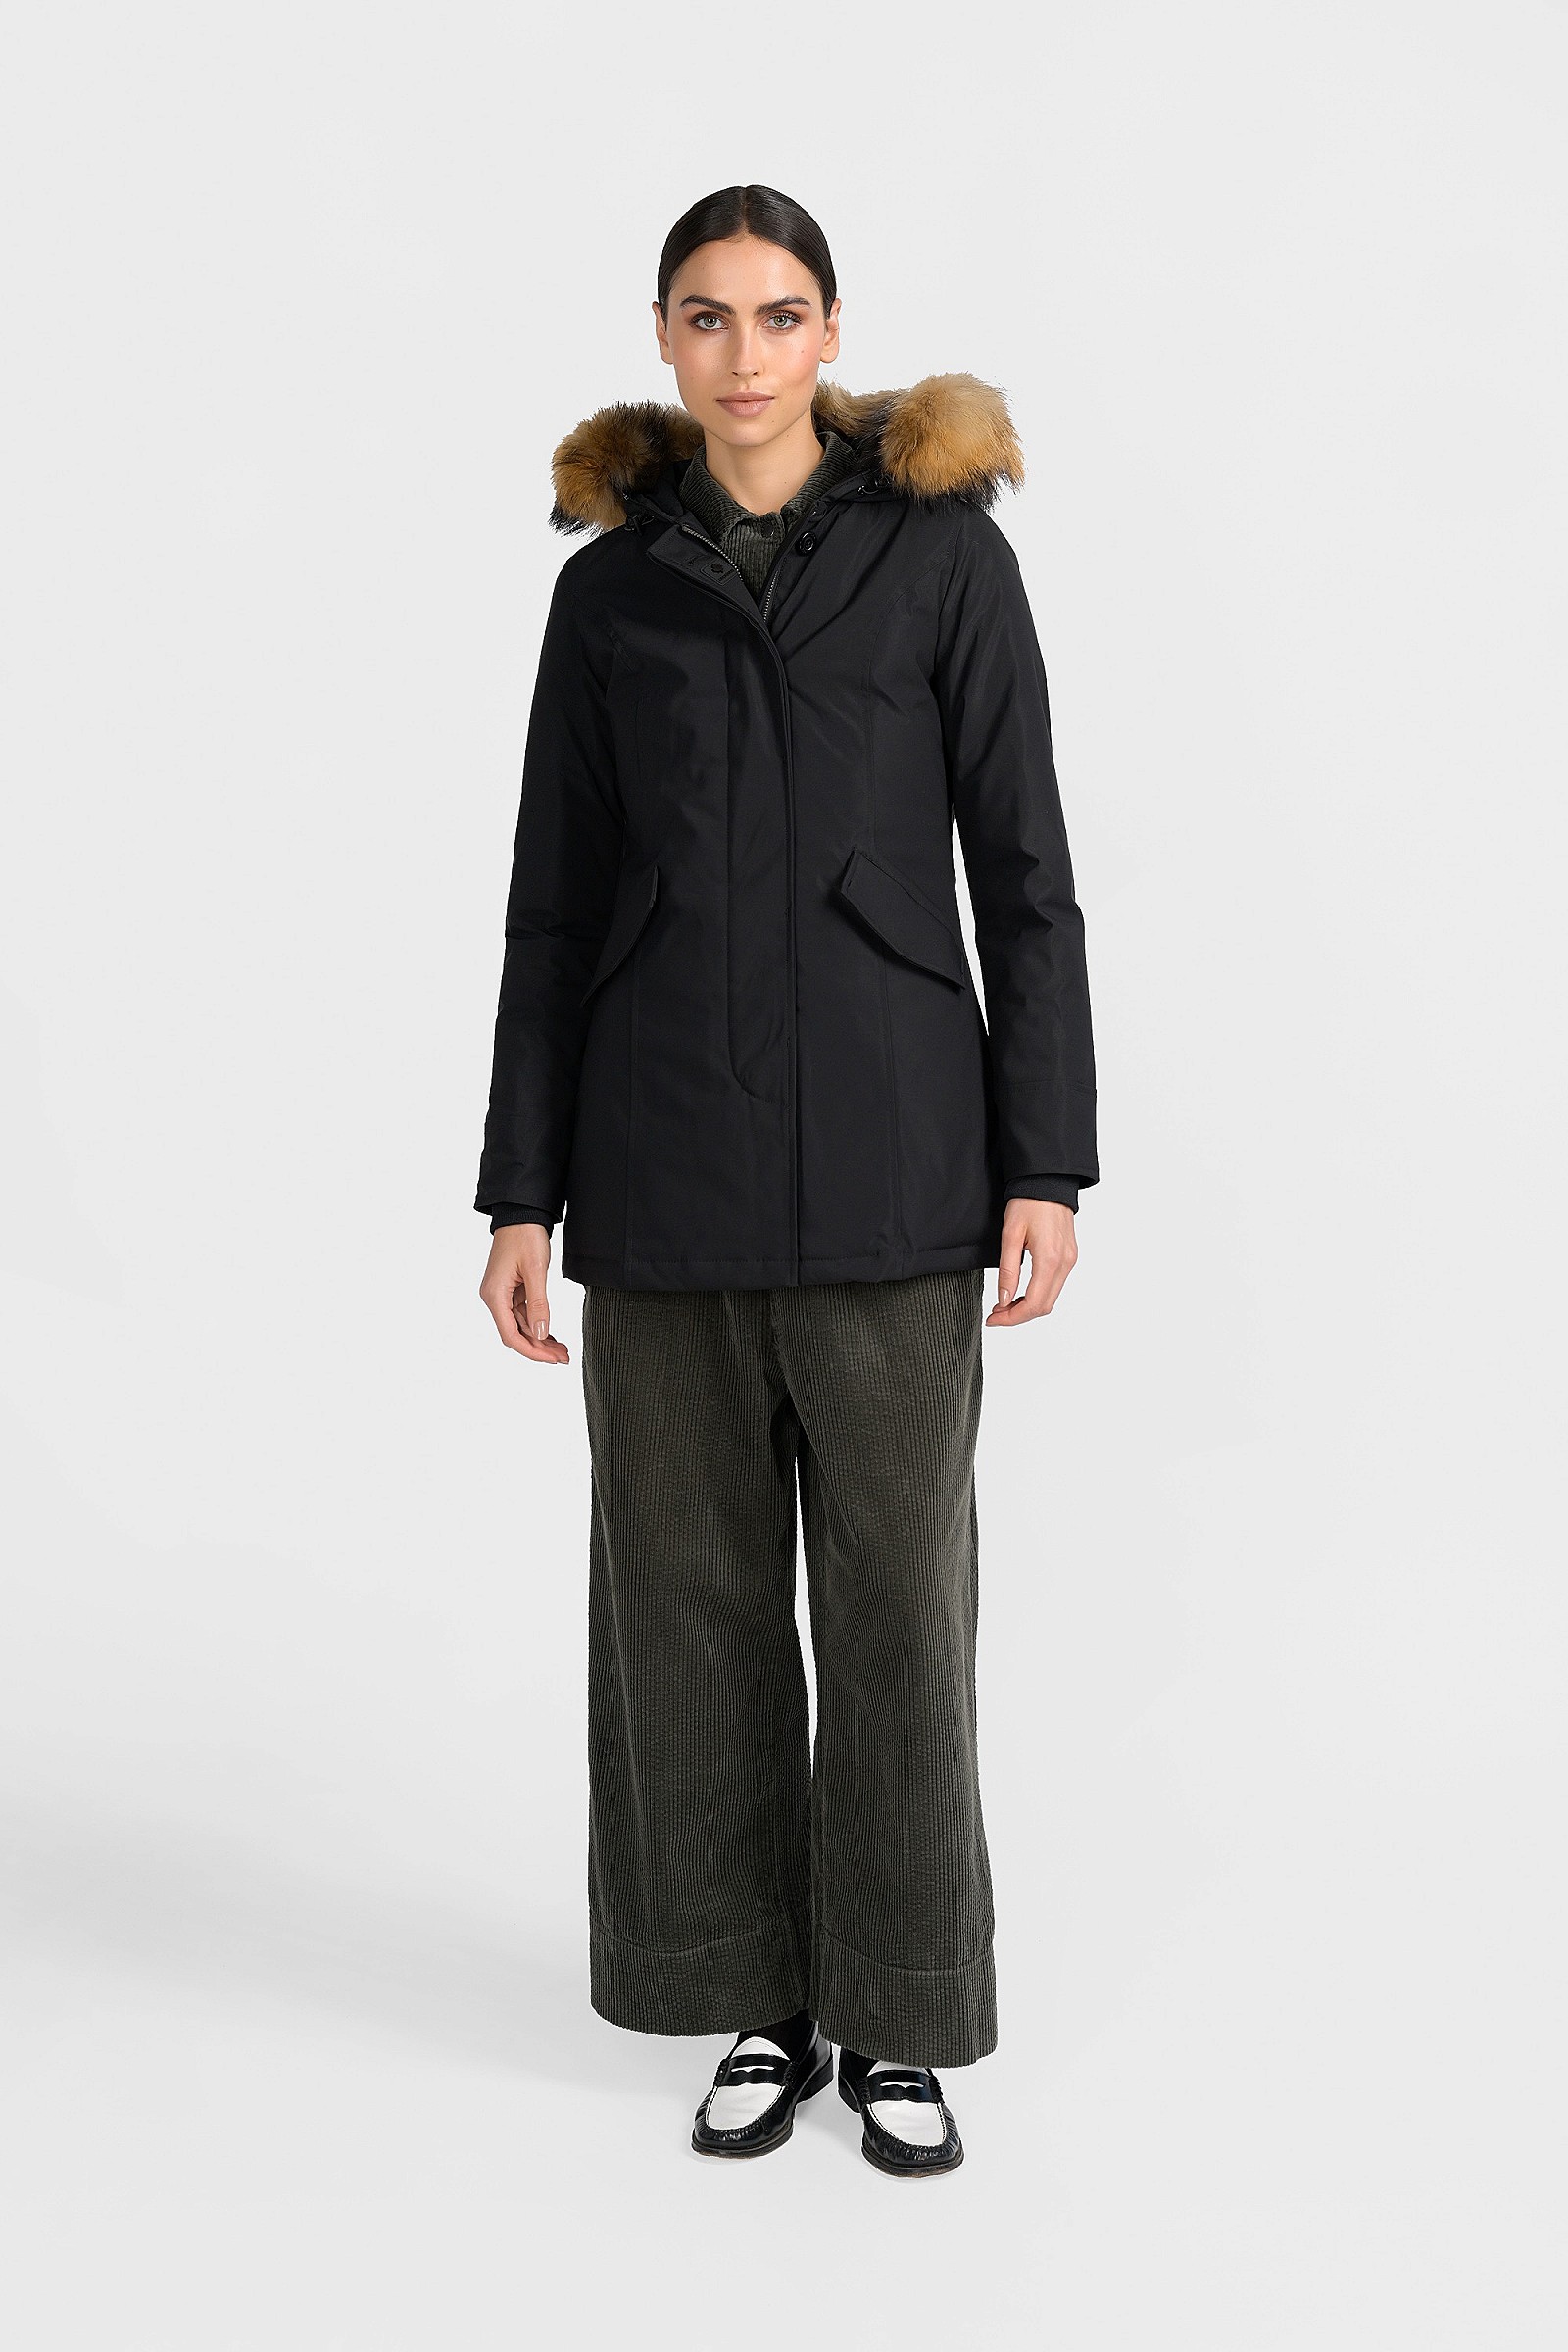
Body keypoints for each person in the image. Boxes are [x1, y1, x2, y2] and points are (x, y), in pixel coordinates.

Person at [475, 184, 1098, 2177]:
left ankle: (899, 2016)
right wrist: (519, 1193)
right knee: (687, 1609)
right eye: (705, 316)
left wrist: (1045, 1158)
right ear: (663, 341)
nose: (742, 353)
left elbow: (1024, 871)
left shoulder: (942, 560)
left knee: (902, 1611)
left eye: (777, 313)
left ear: (831, 332)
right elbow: (551, 907)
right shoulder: (610, 596)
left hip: (898, 1171)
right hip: (660, 1173)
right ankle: (755, 1996)